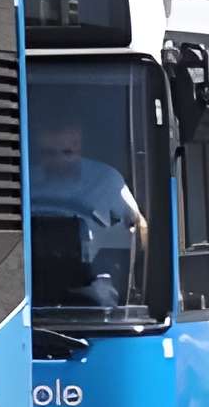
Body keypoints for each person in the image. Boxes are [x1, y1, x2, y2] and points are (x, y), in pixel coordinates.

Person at [33, 117, 148, 291]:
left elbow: (140, 227)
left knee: (102, 298)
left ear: (78, 147)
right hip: (30, 277)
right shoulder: (26, 181)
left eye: (66, 153)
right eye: (49, 153)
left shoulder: (106, 179)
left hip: (91, 280)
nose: (58, 160)